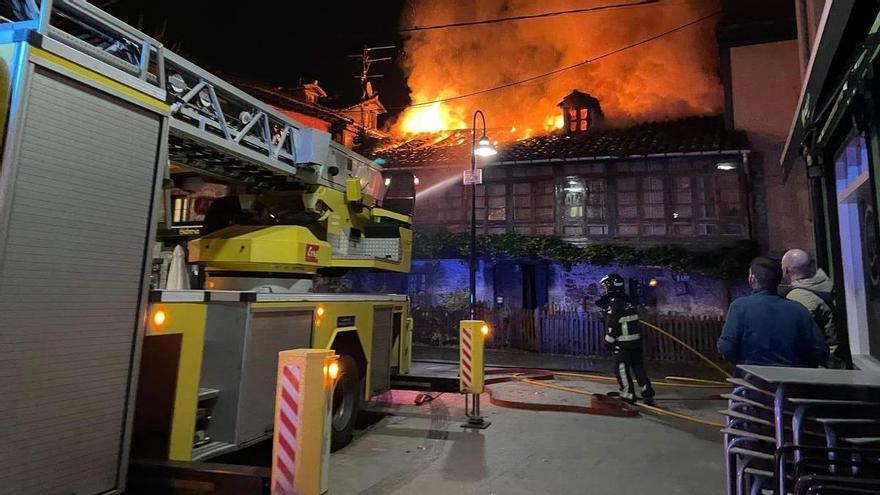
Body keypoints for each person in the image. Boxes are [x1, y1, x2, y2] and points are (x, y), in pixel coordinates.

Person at [718, 257, 828, 369]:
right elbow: (819, 349)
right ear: (779, 280)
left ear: (752, 279)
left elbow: (727, 348)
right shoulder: (798, 310)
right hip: (792, 380)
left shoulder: (739, 307)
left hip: (752, 379)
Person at [782, 249, 851, 369]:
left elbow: (797, 337)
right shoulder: (823, 287)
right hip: (836, 361)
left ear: (786, 270)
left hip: (820, 368)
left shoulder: (798, 297)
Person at [598, 274, 655, 405]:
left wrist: (608, 342)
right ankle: (647, 393)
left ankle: (627, 394)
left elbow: (613, 325)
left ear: (610, 287)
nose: (604, 290)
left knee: (622, 369)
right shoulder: (629, 301)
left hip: (622, 344)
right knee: (638, 367)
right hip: (636, 342)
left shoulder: (614, 303)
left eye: (605, 287)